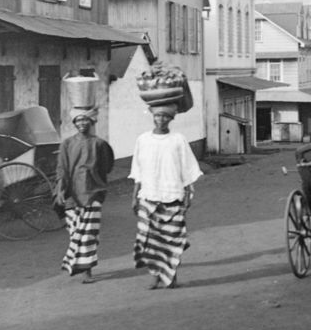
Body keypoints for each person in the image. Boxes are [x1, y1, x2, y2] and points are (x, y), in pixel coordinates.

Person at [130, 103, 204, 290]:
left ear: (171, 119)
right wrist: (134, 196)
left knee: (171, 239)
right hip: (148, 195)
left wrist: (188, 195)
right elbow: (137, 170)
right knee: (150, 240)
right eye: (158, 116)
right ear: (152, 117)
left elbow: (187, 168)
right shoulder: (143, 139)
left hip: (173, 195)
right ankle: (155, 278)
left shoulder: (178, 140)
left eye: (165, 116)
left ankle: (172, 277)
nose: (161, 120)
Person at [55, 107, 115, 284]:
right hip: (71, 195)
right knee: (75, 232)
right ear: (74, 123)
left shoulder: (100, 144)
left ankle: (86, 271)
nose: (82, 123)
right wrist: (60, 189)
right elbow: (62, 168)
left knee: (88, 233)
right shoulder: (67, 144)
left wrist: (93, 177)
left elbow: (107, 167)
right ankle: (78, 264)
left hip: (93, 193)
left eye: (85, 119)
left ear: (92, 121)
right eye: (78, 120)